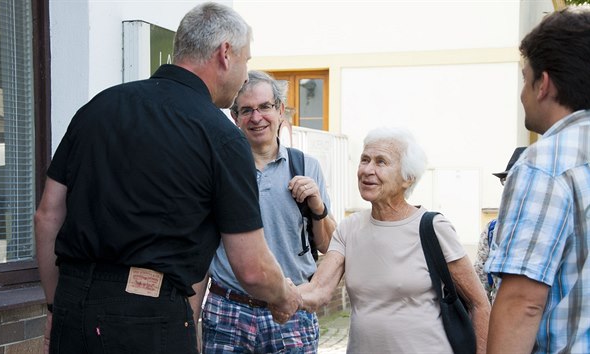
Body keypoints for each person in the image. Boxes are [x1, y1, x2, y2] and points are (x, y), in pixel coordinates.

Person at [33, 3, 302, 354]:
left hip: (73, 306)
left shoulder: (97, 108)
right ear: (225, 53)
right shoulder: (220, 136)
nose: (244, 74)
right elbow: (250, 267)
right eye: (246, 61)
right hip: (147, 320)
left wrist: (57, 306)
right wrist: (284, 294)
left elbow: (48, 215)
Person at [299, 127, 490, 353]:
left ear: (407, 178)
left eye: (381, 162)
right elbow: (318, 290)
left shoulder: (433, 228)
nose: (368, 170)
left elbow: (480, 304)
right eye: (364, 159)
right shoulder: (349, 229)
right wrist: (275, 291)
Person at [197, 70, 337, 353]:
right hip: (228, 311)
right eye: (246, 110)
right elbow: (201, 250)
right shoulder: (218, 170)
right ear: (235, 118)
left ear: (280, 110)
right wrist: (193, 319)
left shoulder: (306, 167)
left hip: (292, 309)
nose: (256, 117)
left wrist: (317, 207)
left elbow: (328, 245)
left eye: (264, 107)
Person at [484, 8, 590, 353]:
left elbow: (523, 302)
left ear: (543, 84)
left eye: (524, 77)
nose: (522, 93)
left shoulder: (546, 162)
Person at [473, 146, 526, 303]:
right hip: (501, 322)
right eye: (507, 181)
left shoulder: (554, 227)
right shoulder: (492, 230)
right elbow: (480, 288)